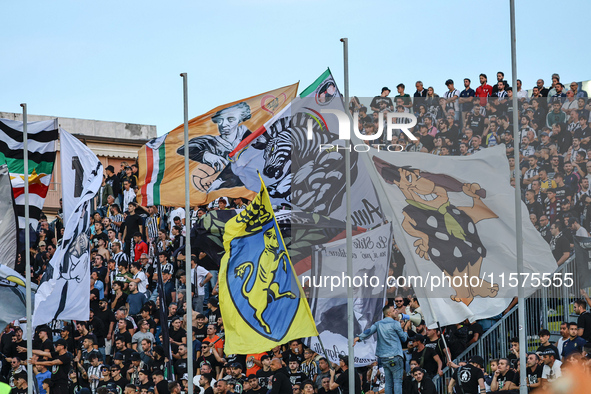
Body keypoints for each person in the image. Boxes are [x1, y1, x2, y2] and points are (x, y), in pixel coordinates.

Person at [354, 305, 408, 394]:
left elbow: (369, 331)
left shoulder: (378, 324)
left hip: (384, 358)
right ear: (389, 313)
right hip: (395, 356)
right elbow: (404, 339)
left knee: (388, 382)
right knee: (397, 382)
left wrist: (359, 338)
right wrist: (405, 330)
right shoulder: (395, 323)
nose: (396, 311)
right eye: (394, 310)